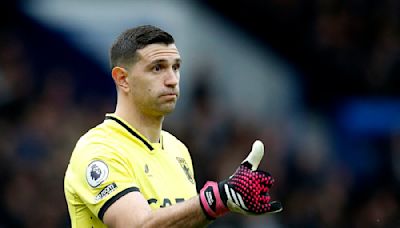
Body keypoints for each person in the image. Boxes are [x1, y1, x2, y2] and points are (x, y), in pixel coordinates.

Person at [64, 25, 283, 228]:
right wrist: (220, 198)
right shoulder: (98, 150)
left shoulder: (178, 151)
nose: (172, 80)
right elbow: (138, 225)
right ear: (123, 79)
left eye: (176, 67)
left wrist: (222, 201)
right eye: (157, 68)